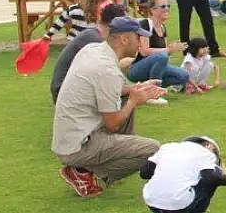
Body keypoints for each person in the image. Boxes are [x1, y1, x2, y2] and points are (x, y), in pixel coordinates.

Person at [52, 17, 164, 198]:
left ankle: (93, 165)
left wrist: (135, 89)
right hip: (78, 145)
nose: (141, 42)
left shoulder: (93, 50)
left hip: (70, 136)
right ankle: (86, 173)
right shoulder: (107, 70)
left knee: (126, 98)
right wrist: (134, 100)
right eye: (138, 37)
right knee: (153, 149)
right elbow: (113, 124)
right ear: (124, 39)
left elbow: (107, 89)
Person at [50, 3, 129, 104]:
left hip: (67, 90)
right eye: (126, 23)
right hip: (64, 92)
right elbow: (107, 75)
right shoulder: (94, 39)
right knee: (123, 99)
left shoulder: (94, 35)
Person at [141, 136, 226, 213]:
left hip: (151, 200)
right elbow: (210, 179)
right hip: (179, 205)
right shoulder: (206, 153)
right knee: (216, 172)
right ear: (209, 146)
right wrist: (225, 177)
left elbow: (145, 173)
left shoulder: (167, 147)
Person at [130, 0, 190, 100]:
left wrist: (173, 49)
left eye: (168, 6)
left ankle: (146, 88)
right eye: (163, 6)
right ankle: (153, 94)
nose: (167, 8)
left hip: (156, 66)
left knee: (183, 75)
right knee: (161, 56)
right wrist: (168, 50)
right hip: (137, 69)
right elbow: (144, 51)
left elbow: (164, 54)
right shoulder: (145, 24)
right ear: (152, 10)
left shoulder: (162, 27)